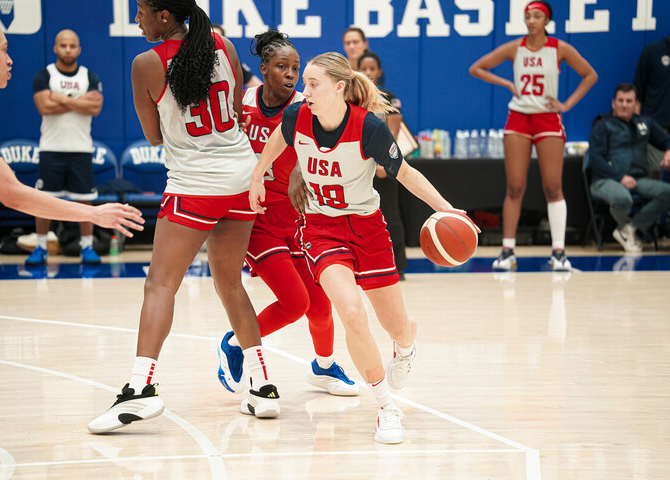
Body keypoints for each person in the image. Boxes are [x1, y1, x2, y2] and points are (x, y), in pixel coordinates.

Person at [249, 52, 478, 444]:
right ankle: (386, 407)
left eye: (313, 84)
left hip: (368, 229)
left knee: (397, 327)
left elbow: (404, 172)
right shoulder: (297, 116)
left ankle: (406, 347)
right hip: (321, 229)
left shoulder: (368, 127)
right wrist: (257, 175)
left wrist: (446, 208)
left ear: (339, 88)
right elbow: (278, 140)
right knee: (352, 313)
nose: (304, 90)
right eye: (304, 83)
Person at [88, 0, 280, 433]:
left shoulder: (146, 63)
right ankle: (263, 384)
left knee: (160, 284)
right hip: (240, 176)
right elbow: (230, 110)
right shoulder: (223, 45)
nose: (136, 18)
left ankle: (140, 389)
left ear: (164, 16)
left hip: (195, 184)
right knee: (231, 284)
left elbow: (155, 135)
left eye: (141, 10)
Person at [0, 13, 144, 394]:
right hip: (56, 155)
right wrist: (93, 212)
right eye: (3, 50)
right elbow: (11, 193)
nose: (10, 59)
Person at [217, 29, 359, 397]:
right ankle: (235, 344)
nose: (292, 74)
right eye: (282, 66)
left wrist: (300, 169)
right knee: (296, 303)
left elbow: (324, 143)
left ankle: (324, 368)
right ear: (264, 68)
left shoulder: (305, 105)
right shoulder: (241, 103)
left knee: (320, 305)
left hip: (298, 217)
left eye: (296, 67)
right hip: (256, 219)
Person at [469, 0, 597, 271]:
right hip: (518, 118)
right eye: (528, 16)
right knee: (515, 187)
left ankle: (559, 253)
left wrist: (567, 104)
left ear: (546, 20)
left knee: (553, 186)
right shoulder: (515, 47)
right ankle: (507, 251)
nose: (531, 20)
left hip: (548, 118)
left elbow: (590, 75)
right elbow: (476, 67)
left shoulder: (559, 48)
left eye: (537, 16)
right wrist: (506, 83)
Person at [25, 29, 105, 266]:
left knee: (85, 200)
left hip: (81, 148)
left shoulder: (88, 75)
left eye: (72, 46)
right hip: (51, 147)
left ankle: (87, 247)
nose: (68, 50)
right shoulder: (44, 75)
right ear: (55, 48)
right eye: (63, 45)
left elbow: (95, 108)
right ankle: (40, 247)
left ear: (78, 49)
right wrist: (78, 102)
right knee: (44, 200)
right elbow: (44, 107)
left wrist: (60, 98)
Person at [587, 83, 670, 252]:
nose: (624, 104)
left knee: (667, 192)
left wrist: (668, 150)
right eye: (621, 100)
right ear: (613, 103)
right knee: (623, 198)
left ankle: (629, 229)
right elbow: (595, 159)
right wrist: (620, 178)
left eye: (629, 101)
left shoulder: (645, 123)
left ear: (636, 104)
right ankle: (625, 227)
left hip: (638, 179)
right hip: (606, 179)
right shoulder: (602, 125)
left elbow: (665, 139)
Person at [358, 51, 407, 278]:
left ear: (379, 72)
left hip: (383, 166)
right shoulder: (353, 98)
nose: (368, 72)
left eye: (372, 68)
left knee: (390, 214)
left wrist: (384, 164)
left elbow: (393, 136)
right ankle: (362, 263)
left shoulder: (389, 98)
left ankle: (398, 265)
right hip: (359, 168)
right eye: (364, 68)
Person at [634, 35, 670, 179]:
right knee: (654, 170)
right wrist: (635, 126)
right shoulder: (652, 51)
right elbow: (638, 91)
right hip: (655, 126)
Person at [211, 23, 261, 88]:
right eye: (211, 38)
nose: (213, 42)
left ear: (223, 42)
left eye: (217, 39)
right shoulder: (197, 63)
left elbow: (257, 85)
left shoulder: (232, 64)